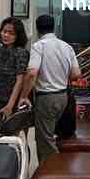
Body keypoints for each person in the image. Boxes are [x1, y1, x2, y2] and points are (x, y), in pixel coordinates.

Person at [18, 14, 80, 162]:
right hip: (63, 97)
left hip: (46, 98)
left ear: (37, 28)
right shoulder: (66, 47)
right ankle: (56, 168)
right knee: (52, 133)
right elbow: (76, 74)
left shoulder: (39, 46)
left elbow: (32, 73)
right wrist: (60, 76)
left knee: (45, 140)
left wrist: (24, 96)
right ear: (54, 27)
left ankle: (52, 171)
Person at [0, 17, 29, 130]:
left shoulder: (20, 52)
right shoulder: (0, 50)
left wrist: (10, 105)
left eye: (11, 33)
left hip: (11, 101)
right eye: (4, 31)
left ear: (18, 36)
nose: (6, 35)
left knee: (8, 135)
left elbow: (20, 81)